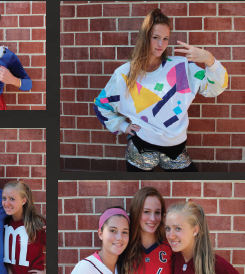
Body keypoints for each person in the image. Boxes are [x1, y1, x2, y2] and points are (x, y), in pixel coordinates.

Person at [94, 8, 228, 172]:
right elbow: (101, 104)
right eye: (155, 37)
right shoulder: (124, 73)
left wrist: (209, 59)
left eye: (165, 39)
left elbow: (215, 88)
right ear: (144, 37)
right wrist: (122, 126)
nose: (161, 44)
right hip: (140, 149)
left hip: (176, 150)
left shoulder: (181, 67)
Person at [121, 187, 172, 274]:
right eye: (146, 212)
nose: (152, 218)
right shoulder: (123, 249)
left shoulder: (171, 249)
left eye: (157, 212)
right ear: (137, 213)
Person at [2, 180, 46, 274]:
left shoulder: (37, 224)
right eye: (4, 198)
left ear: (24, 200)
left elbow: (62, 248)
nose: (6, 203)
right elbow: (5, 258)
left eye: (12, 199)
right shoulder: (4, 223)